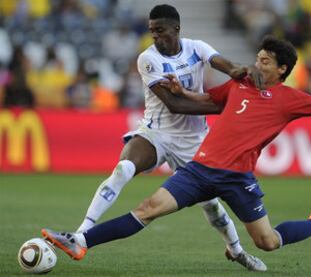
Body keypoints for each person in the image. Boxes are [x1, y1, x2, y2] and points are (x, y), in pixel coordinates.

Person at [42, 35, 311, 270]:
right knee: (148, 209)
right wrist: (180, 92)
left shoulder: (289, 99)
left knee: (267, 243)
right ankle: (80, 242)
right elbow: (207, 100)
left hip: (237, 179)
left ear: (282, 70)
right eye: (259, 56)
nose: (258, 62)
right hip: (200, 169)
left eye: (267, 60)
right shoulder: (239, 85)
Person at [75, 4, 266, 271]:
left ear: (176, 29)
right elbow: (176, 105)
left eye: (160, 31)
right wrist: (222, 107)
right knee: (123, 168)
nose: (155, 37)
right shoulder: (148, 59)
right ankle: (79, 234)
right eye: (152, 31)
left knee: (211, 206)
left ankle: (237, 251)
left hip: (194, 141)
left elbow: (229, 67)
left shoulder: (197, 47)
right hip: (157, 133)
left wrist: (245, 71)